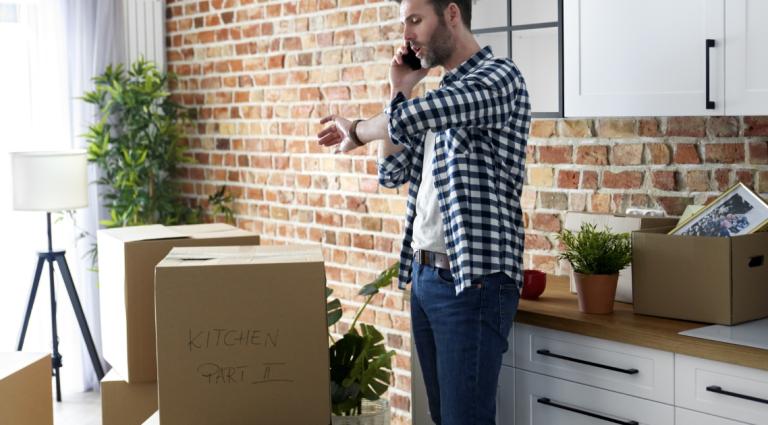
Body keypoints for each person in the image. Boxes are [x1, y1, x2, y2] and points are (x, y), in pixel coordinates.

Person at [316, 0, 530, 422]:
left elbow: (418, 117)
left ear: (451, 14)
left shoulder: (499, 79)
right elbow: (393, 170)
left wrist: (358, 128)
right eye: (404, 23)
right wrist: (398, 89)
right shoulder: (440, 95)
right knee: (442, 417)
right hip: (427, 279)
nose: (407, 34)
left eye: (415, 20)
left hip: (474, 282)